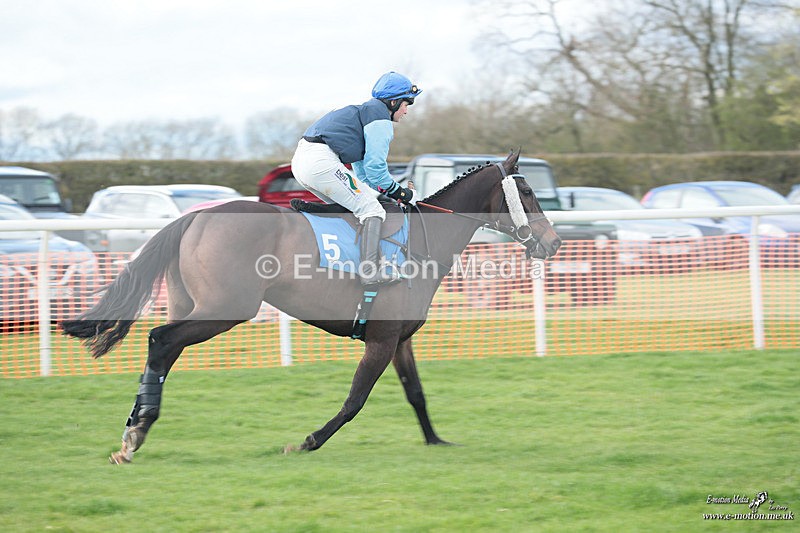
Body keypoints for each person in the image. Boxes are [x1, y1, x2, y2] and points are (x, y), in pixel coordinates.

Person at [291, 71, 421, 286]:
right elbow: (377, 171)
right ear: (394, 101)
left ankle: (344, 263)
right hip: (320, 162)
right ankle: (370, 272)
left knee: (360, 205)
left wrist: (381, 194)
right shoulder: (380, 120)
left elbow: (364, 175)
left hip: (305, 162)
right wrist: (404, 194)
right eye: (407, 104)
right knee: (372, 210)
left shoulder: (366, 114)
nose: (406, 111)